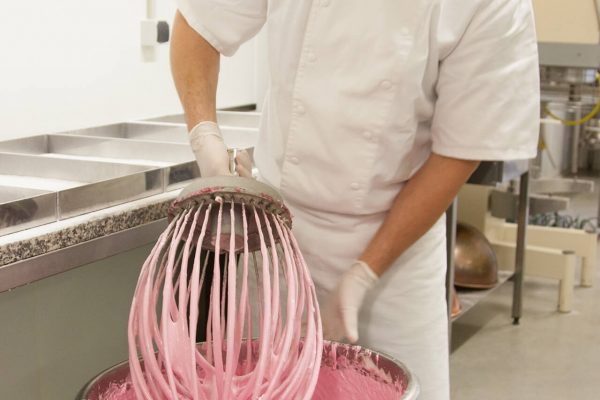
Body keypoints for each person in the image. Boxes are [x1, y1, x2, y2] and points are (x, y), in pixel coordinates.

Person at [170, 1, 540, 398]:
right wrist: (205, 136)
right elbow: (198, 25)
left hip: (397, 257)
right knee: (263, 390)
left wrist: (366, 272)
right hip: (280, 237)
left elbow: (462, 148)